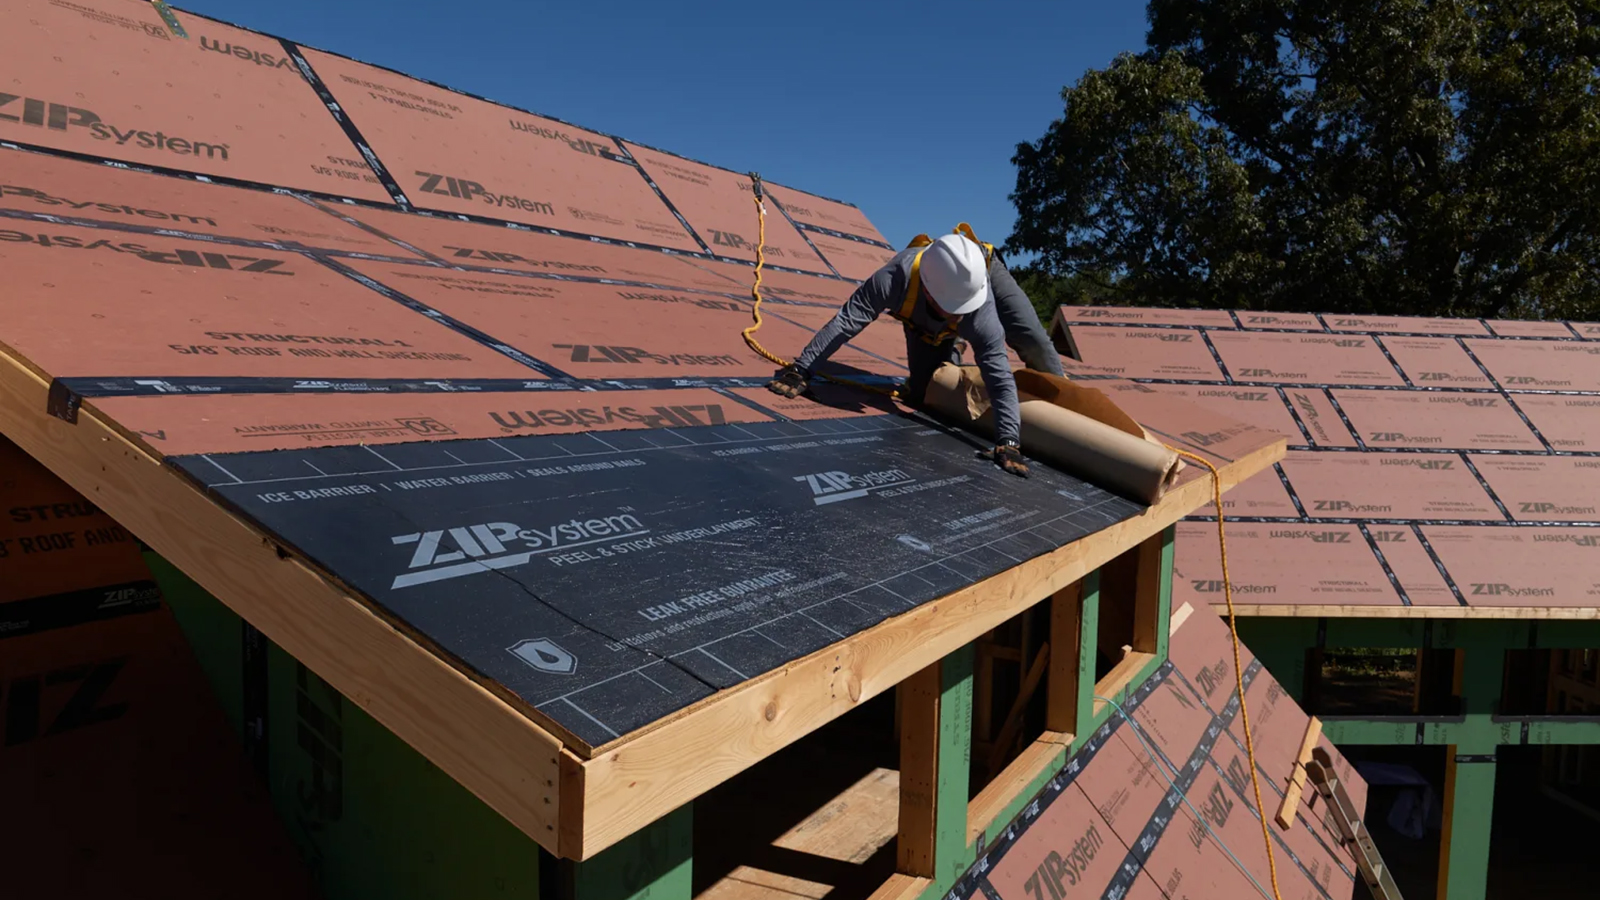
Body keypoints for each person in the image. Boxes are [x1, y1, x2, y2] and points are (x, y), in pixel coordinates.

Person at [766, 228, 1064, 478]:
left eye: (961, 313)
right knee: (925, 393)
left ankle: (1065, 398)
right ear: (928, 291)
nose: (958, 316)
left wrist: (1008, 440)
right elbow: (847, 321)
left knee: (1032, 337)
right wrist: (801, 369)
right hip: (924, 313)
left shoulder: (979, 307)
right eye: (951, 311)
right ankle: (952, 344)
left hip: (986, 270)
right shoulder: (893, 280)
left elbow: (997, 373)